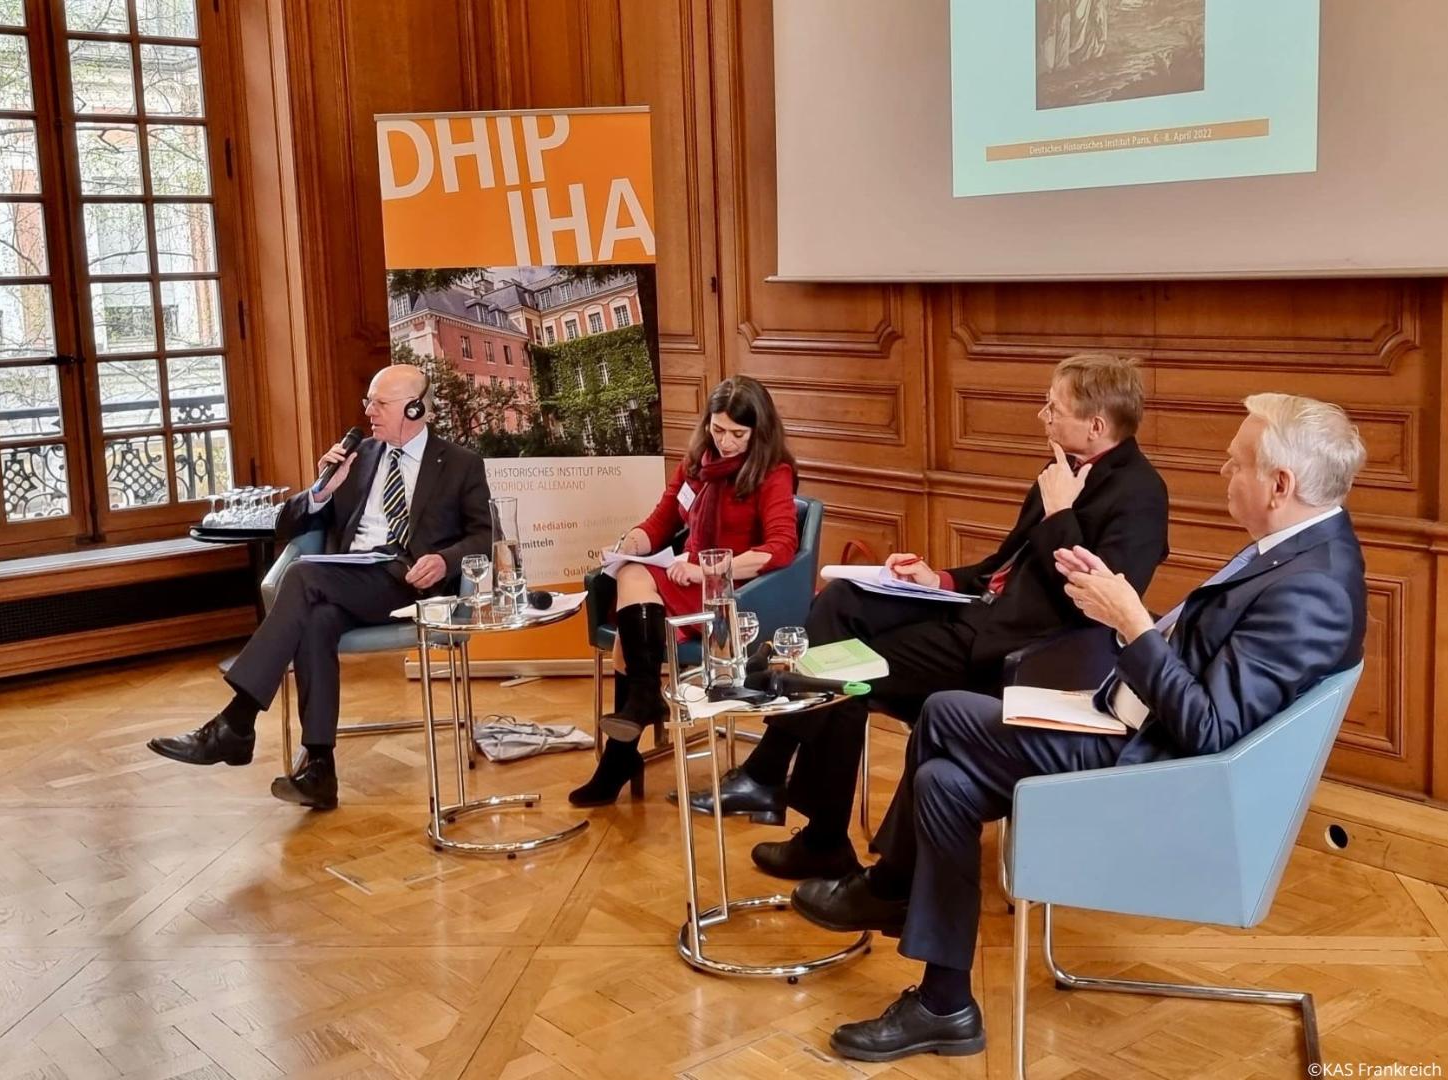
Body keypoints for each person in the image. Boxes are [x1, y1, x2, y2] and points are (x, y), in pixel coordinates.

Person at [806, 393, 1369, 1062]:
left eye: (1234, 462)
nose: (1222, 470)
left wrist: (1129, 622)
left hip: (1162, 778)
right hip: (1132, 725)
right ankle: (942, 1000)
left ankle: (899, 904)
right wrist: (1123, 614)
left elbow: (1211, 730)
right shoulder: (1294, 554)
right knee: (943, 780)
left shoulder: (1312, 585)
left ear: (1280, 485)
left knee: (943, 715)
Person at [699, 353, 1170, 881]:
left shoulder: (1140, 494)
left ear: (1097, 425)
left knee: (843, 671)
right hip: (977, 614)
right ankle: (788, 786)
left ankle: (801, 806)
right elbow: (1004, 567)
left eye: (1053, 408)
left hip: (1020, 653)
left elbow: (1097, 600)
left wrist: (1061, 513)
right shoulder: (1062, 469)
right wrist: (938, 580)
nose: (1043, 416)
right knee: (841, 600)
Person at [146, 364, 492, 810]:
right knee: (316, 619)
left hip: (410, 583)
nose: (368, 411)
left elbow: (484, 535)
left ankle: (237, 721)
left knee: (306, 575)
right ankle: (319, 771)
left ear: (415, 408)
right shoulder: (359, 455)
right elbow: (285, 524)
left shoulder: (461, 464)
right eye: (368, 401)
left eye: (379, 404)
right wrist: (321, 490)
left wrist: (443, 560)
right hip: (349, 581)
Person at [568, 375, 799, 807]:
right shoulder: (696, 464)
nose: (726, 442)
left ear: (759, 431)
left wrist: (709, 567)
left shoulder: (772, 473)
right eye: (718, 429)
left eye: (737, 434)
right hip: (685, 579)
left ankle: (623, 750)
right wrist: (629, 544)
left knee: (628, 638)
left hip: (734, 592)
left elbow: (781, 550)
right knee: (631, 574)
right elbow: (660, 522)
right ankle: (642, 702)